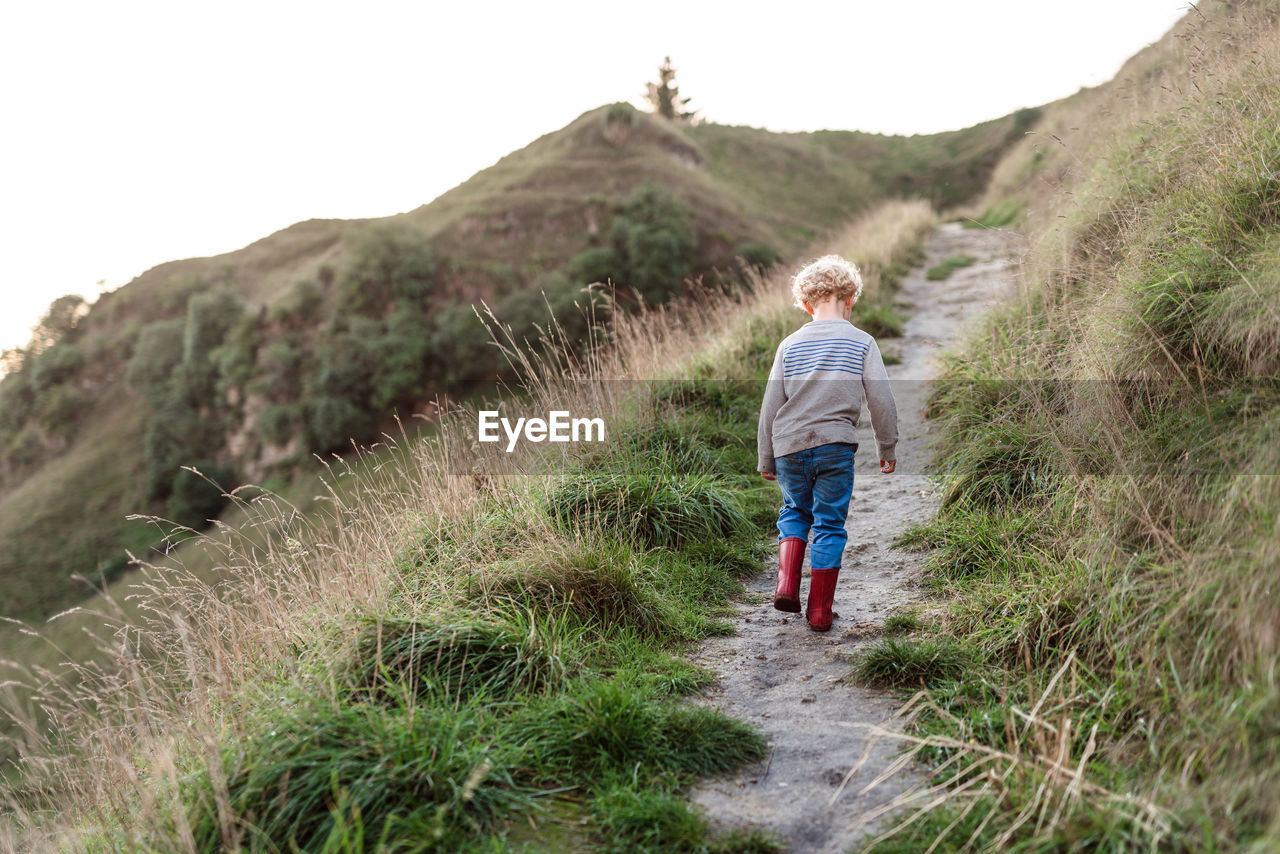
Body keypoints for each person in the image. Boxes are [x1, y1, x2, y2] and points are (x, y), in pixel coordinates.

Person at [757, 255, 898, 632]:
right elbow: (881, 399)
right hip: (835, 445)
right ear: (850, 299)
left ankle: (786, 586)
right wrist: (887, 446)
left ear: (805, 304)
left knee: (794, 512)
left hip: (789, 445)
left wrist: (766, 457)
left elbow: (771, 405)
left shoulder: (789, 345)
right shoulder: (862, 342)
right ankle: (819, 611)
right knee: (830, 524)